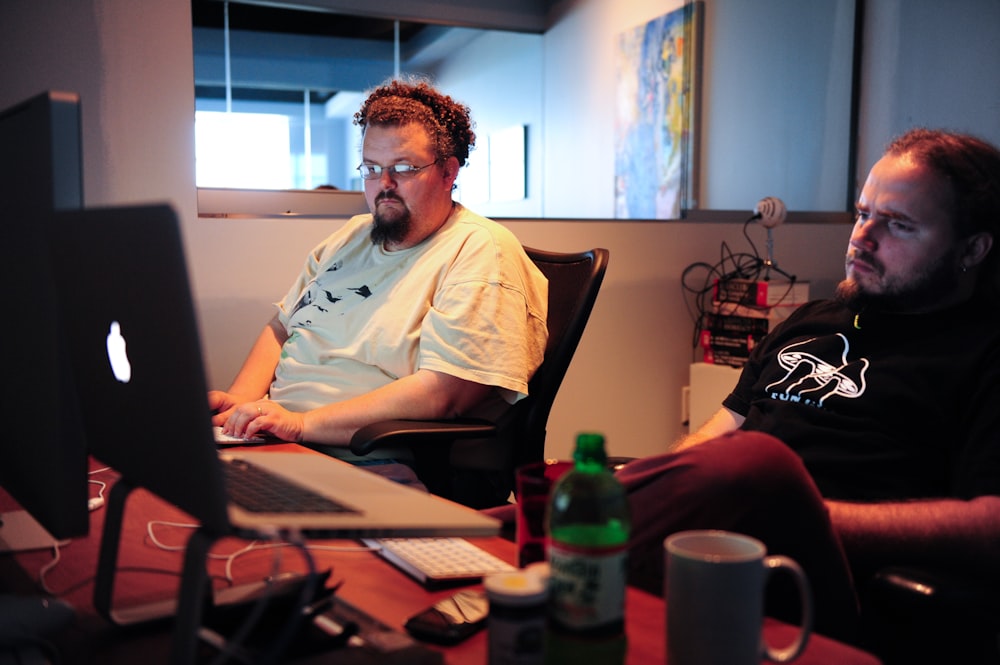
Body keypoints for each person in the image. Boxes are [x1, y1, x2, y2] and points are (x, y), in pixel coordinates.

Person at [536, 128, 1000, 645]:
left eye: (899, 226)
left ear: (973, 248)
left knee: (756, 461)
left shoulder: (983, 352)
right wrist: (671, 487)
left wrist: (804, 511)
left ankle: (540, 544)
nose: (862, 237)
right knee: (565, 489)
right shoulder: (809, 321)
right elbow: (718, 433)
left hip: (831, 572)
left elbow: (990, 523)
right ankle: (518, 542)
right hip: (723, 543)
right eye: (863, 213)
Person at [209, 78, 548, 505]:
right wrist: (238, 406)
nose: (383, 183)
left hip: (363, 459)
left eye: (404, 168)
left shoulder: (480, 251)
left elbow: (444, 394)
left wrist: (300, 424)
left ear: (448, 171)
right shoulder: (351, 236)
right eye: (371, 168)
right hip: (276, 442)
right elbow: (281, 325)